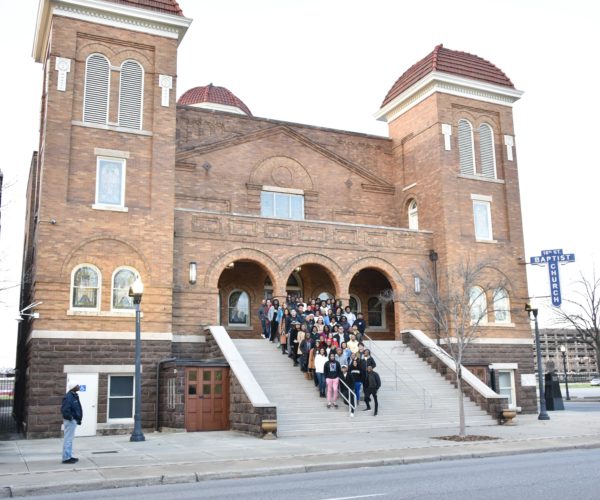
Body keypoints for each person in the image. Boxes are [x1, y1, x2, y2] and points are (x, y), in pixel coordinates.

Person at [61, 383, 83, 464]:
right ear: (73, 387)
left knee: (70, 439)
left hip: (73, 420)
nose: (79, 386)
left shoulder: (73, 395)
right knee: (68, 439)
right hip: (70, 420)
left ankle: (69, 456)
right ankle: (66, 458)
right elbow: (65, 409)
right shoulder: (69, 396)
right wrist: (71, 418)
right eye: (77, 385)